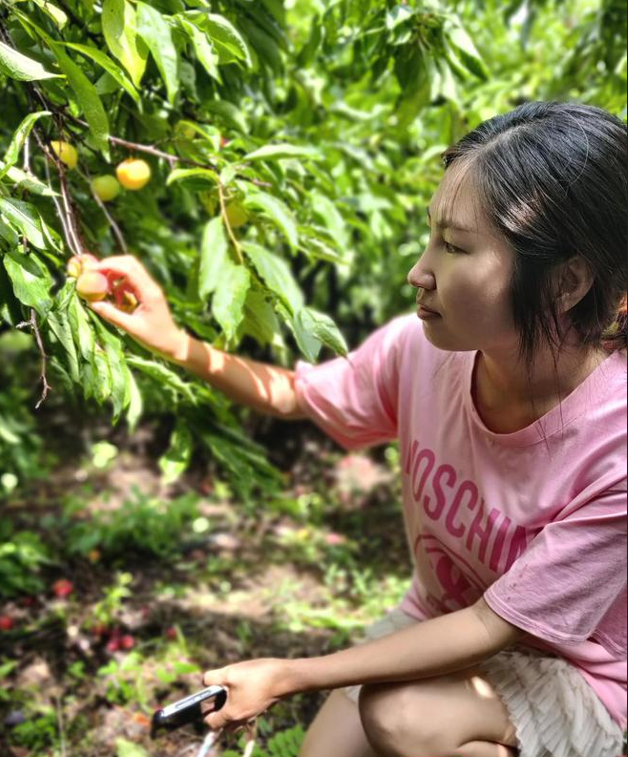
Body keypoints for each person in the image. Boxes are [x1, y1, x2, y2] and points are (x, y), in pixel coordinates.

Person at [89, 101, 627, 757]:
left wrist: (290, 673)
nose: (420, 270)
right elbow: (292, 394)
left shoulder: (616, 438)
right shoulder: (423, 351)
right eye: (432, 236)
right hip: (442, 623)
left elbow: (493, 622)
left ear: (567, 282)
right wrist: (174, 341)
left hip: (583, 673)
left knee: (404, 716)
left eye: (455, 247)